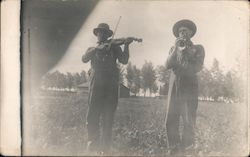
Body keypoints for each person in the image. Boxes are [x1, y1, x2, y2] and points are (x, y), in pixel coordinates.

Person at [82, 23, 132, 154]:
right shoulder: (91, 49)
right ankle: (92, 144)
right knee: (92, 115)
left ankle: (105, 148)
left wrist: (126, 44)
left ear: (108, 35)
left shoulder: (114, 48)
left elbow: (124, 60)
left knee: (108, 117)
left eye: (104, 33)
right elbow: (84, 59)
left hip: (110, 87)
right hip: (96, 85)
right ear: (97, 34)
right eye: (99, 32)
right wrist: (98, 49)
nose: (101, 35)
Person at [165, 19, 205, 155]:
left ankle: (187, 149)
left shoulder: (198, 48)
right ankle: (173, 148)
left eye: (185, 31)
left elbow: (197, 67)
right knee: (171, 117)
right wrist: (176, 48)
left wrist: (187, 51)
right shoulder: (173, 48)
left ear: (191, 32)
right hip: (174, 85)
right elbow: (167, 65)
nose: (182, 33)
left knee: (189, 118)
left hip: (190, 86)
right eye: (180, 31)